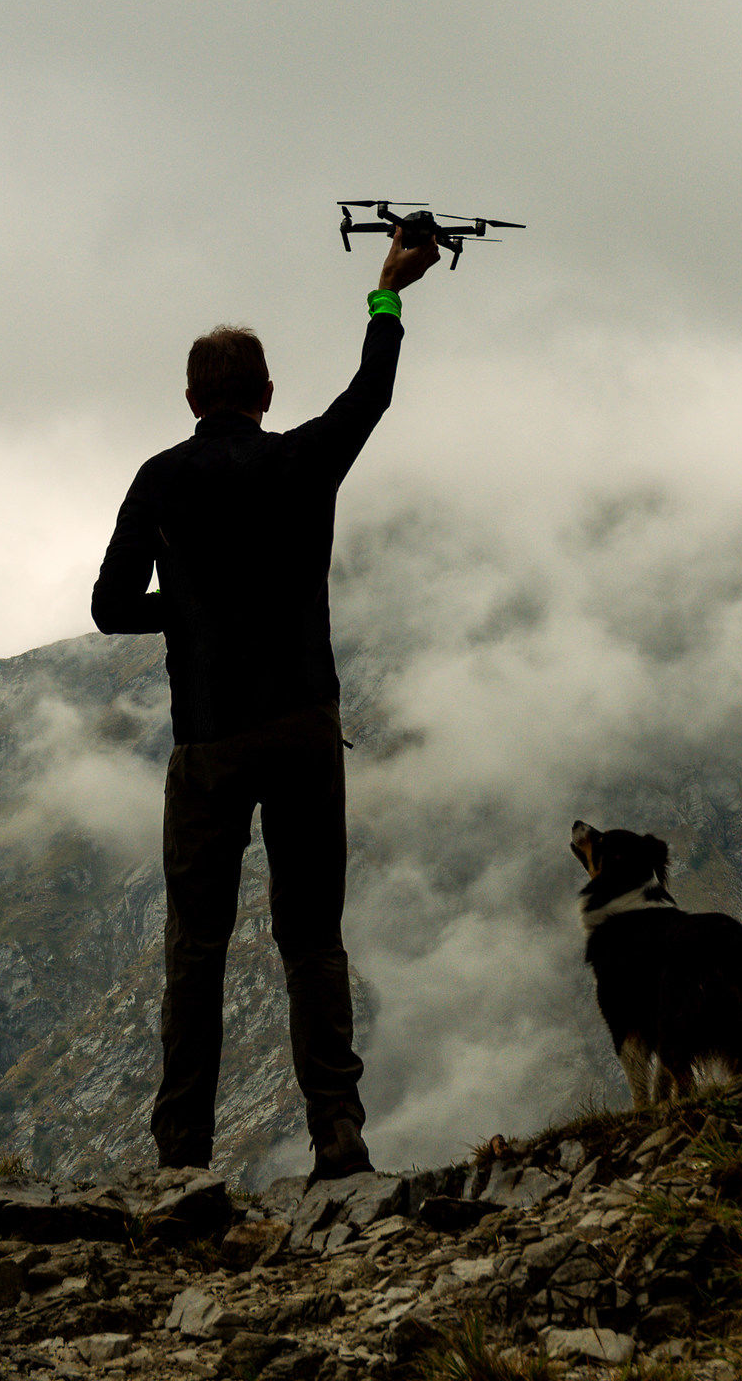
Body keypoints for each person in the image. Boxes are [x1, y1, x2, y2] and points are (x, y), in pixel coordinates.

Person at [90, 226, 442, 1180]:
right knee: (312, 935)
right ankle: (338, 1132)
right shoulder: (301, 464)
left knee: (195, 948)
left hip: (206, 740)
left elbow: (110, 607)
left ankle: (182, 1158)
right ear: (267, 395)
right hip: (303, 727)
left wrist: (190, 612)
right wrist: (386, 293)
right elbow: (371, 396)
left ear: (193, 401)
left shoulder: (160, 479)